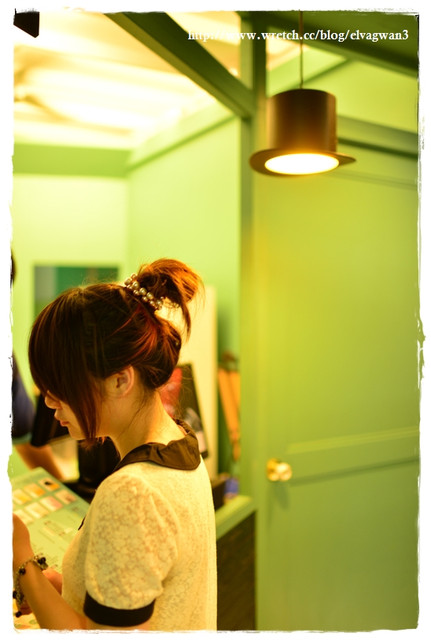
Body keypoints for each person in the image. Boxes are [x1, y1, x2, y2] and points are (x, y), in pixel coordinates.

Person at [12, 258, 217, 631]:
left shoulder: (132, 494)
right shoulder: (181, 445)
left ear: (120, 380)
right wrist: (63, 588)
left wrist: (22, 561)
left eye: (62, 387)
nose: (49, 402)